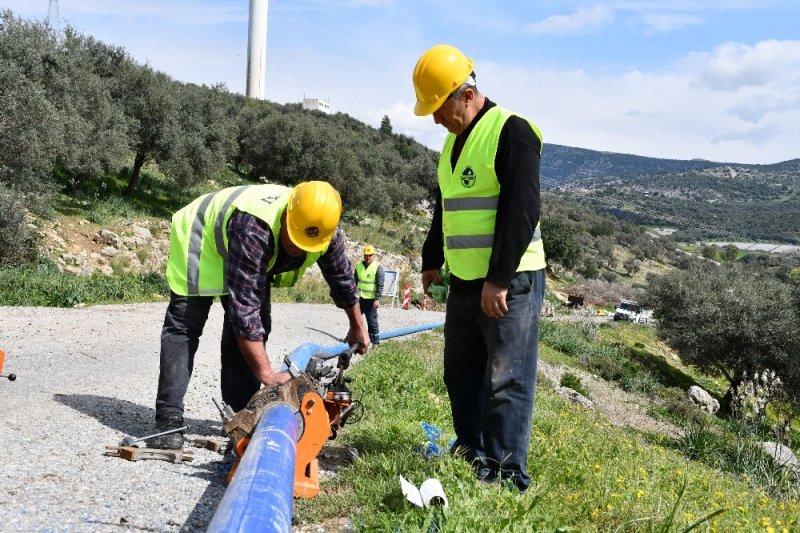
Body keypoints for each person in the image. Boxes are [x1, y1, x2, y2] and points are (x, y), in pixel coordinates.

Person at [412, 44, 547, 492]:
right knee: (462, 372)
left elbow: (521, 211)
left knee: (505, 380)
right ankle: (473, 456)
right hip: (467, 281)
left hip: (511, 283)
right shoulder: (453, 143)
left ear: (465, 94)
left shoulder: (514, 132)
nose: (435, 119)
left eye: (439, 107)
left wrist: (499, 278)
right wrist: (433, 259)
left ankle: (508, 476)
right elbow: (445, 207)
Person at [149, 181, 370, 449]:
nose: (298, 250)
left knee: (250, 332)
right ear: (288, 216)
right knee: (185, 327)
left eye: (306, 246)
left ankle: (241, 416)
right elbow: (246, 313)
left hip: (245, 251)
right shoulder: (255, 226)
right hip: (202, 241)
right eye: (294, 240)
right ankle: (168, 420)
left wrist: (358, 325)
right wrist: (267, 374)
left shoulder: (325, 232)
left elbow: (343, 281)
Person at [354, 244, 384, 346]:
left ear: (374, 255)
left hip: (371, 300)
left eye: (370, 255)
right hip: (359, 299)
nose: (368, 257)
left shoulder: (378, 268)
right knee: (355, 320)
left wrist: (377, 299)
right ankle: (350, 338)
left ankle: (375, 342)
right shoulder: (359, 267)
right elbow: (354, 283)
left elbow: (380, 285)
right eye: (366, 255)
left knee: (372, 322)